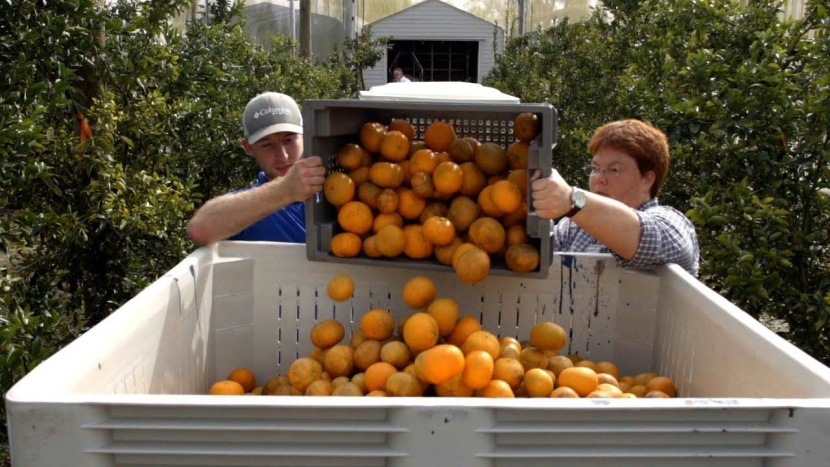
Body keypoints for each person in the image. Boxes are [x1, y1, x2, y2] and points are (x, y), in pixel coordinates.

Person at [530, 119, 699, 276]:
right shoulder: (573, 228)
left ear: (647, 179)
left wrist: (572, 199)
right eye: (595, 168)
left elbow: (649, 238)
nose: (599, 178)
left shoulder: (672, 221)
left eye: (614, 169)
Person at [187, 92, 326, 246]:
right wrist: (286, 189)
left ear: (305, 135)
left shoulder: (332, 186)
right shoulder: (249, 207)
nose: (283, 156)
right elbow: (199, 229)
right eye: (267, 145)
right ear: (248, 148)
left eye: (288, 140)